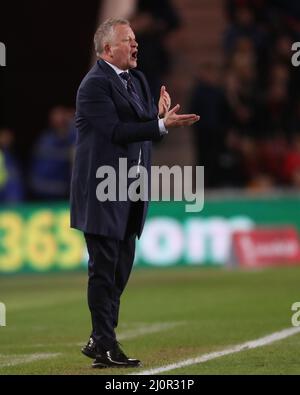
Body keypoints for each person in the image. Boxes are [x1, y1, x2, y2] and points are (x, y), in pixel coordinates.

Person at [70, 18, 200, 369]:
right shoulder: (93, 85)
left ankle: (100, 339)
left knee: (119, 271)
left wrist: (159, 118)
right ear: (108, 49)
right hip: (102, 191)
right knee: (103, 269)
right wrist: (157, 124)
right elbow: (116, 131)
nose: (135, 44)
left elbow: (145, 131)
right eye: (127, 40)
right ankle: (106, 343)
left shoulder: (137, 79)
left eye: (135, 39)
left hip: (131, 190)